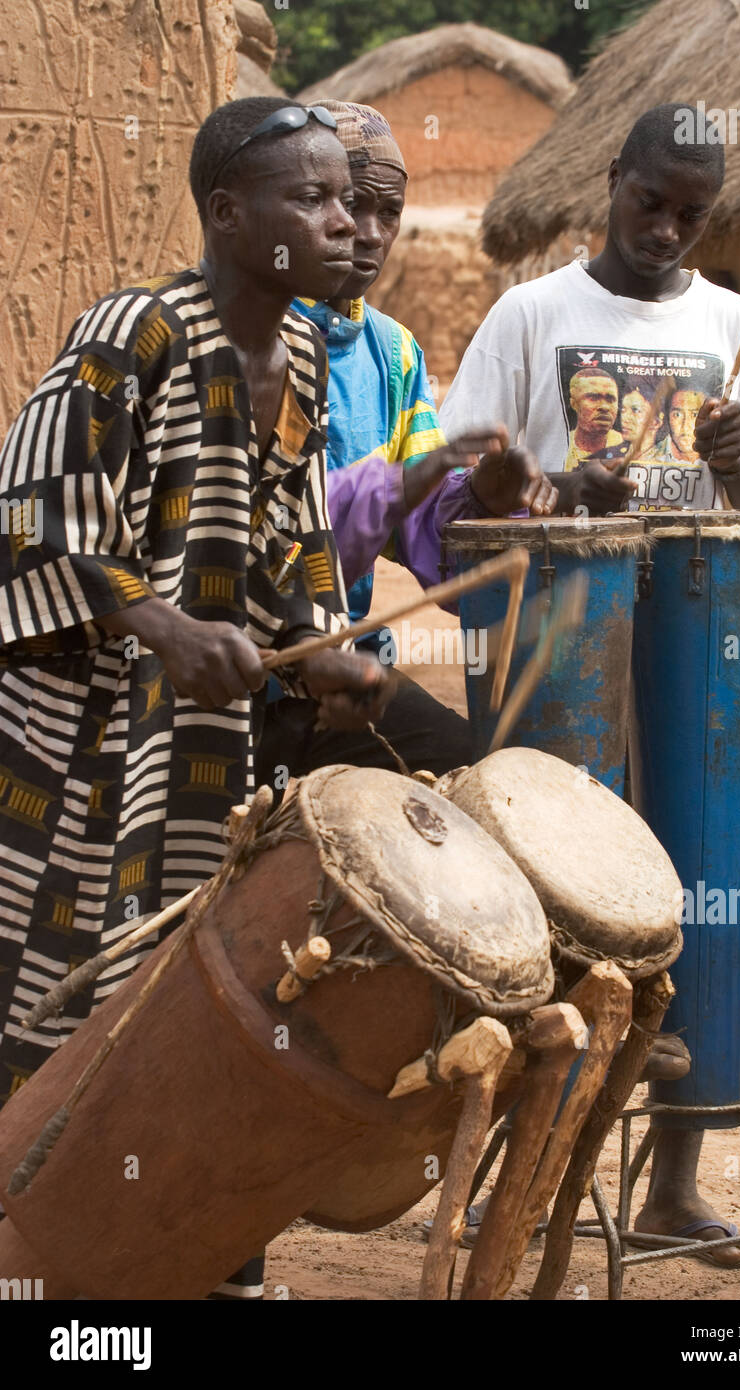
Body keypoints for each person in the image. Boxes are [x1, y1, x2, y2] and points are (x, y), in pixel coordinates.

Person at [0, 95, 395, 1298]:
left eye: (351, 200)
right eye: (313, 200)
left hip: (204, 742)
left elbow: (289, 535)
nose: (346, 224)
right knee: (53, 979)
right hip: (81, 740)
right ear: (229, 213)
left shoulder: (312, 354)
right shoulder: (136, 334)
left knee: (186, 991)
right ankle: (35, 1257)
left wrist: (318, 644)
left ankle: (188, 1253)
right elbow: (27, 516)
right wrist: (160, 620)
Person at [441, 103, 740, 1264]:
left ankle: (672, 1185)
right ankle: (532, 1190)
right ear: (612, 180)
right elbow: (460, 482)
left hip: (701, 641)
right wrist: (558, 488)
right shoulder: (530, 312)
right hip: (568, 635)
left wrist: (732, 460)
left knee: (700, 888)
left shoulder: (735, 325)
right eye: (649, 203)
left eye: (691, 217)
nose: (665, 231)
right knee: (562, 896)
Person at [256, 100, 556, 786]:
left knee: (482, 779)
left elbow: (420, 532)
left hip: (352, 680)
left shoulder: (393, 356)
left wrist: (484, 491)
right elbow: (274, 526)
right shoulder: (250, 335)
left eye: (385, 214)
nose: (365, 233)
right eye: (346, 206)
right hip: (239, 675)